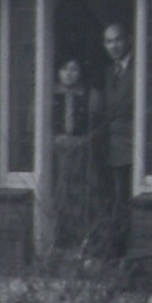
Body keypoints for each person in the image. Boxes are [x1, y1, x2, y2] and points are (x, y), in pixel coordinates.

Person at [94, 21, 135, 256]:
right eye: (109, 42)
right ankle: (112, 247)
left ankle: (120, 249)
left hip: (129, 146)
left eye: (118, 40)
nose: (114, 46)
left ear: (128, 40)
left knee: (123, 198)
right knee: (111, 198)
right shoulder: (109, 72)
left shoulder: (138, 69)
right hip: (110, 147)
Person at [49, 57, 97, 254]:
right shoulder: (50, 94)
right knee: (59, 192)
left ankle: (80, 240)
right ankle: (59, 239)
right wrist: (53, 138)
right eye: (64, 69)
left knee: (79, 193)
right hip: (56, 152)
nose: (69, 74)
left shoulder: (87, 95)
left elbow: (96, 124)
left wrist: (84, 140)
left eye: (74, 69)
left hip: (80, 150)